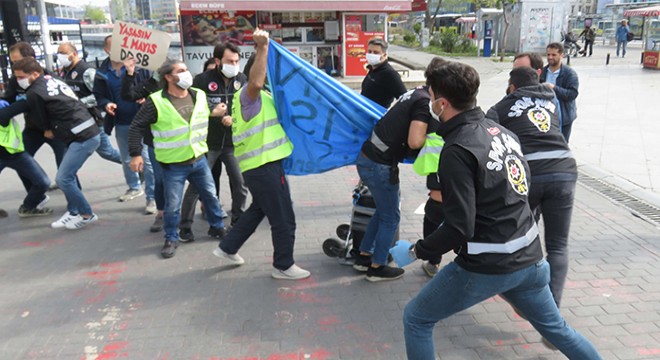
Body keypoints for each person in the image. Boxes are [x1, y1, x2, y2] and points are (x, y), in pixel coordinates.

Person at [395, 61, 601, 360]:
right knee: (558, 329)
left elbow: (459, 227)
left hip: (487, 266)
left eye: (431, 95)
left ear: (442, 102)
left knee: (417, 318)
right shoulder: (502, 132)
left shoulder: (456, 151)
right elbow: (521, 188)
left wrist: (417, 251)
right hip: (530, 261)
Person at [214, 28, 311, 280]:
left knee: (259, 209)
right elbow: (256, 81)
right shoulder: (250, 95)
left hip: (258, 166)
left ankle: (228, 247)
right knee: (283, 218)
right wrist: (263, 49)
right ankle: (283, 265)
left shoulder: (258, 98)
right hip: (264, 166)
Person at [487, 66, 578, 310]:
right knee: (558, 245)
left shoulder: (502, 107)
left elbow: (487, 137)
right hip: (565, 169)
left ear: (512, 87)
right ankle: (552, 311)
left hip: (530, 175)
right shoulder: (551, 101)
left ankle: (526, 301)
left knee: (520, 239)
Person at [128, 59, 229, 259]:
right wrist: (136, 153)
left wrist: (213, 113)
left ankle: (217, 227)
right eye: (181, 71)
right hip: (173, 165)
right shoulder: (156, 101)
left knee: (210, 196)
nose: (186, 73)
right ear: (168, 77)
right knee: (172, 205)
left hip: (198, 159)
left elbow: (197, 116)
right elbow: (136, 126)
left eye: (186, 70)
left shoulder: (198, 95)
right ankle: (171, 237)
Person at [352, 62, 437, 282]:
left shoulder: (416, 92)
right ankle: (377, 267)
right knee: (391, 217)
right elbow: (415, 140)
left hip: (368, 158)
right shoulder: (424, 104)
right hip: (379, 165)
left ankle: (364, 255)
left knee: (383, 211)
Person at [1, 57, 102, 229]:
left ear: (34, 74)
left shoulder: (34, 93)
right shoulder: (51, 80)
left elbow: (39, 118)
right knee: (65, 177)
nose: (18, 81)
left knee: (64, 178)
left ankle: (85, 214)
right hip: (84, 132)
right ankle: (75, 212)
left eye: (20, 77)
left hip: (82, 136)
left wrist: (47, 128)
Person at [178, 42, 248, 242]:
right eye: (229, 61)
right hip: (206, 144)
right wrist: (211, 114)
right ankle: (184, 227)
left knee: (240, 184)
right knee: (197, 185)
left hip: (232, 144)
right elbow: (187, 110)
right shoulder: (201, 81)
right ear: (218, 61)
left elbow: (247, 108)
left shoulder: (242, 79)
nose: (234, 65)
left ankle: (237, 220)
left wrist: (234, 119)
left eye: (236, 61)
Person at [93, 35, 156, 213]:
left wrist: (146, 98)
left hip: (142, 119)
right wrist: (106, 104)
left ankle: (151, 197)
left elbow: (152, 87)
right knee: (126, 158)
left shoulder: (141, 67)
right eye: (114, 47)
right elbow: (98, 95)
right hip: (120, 120)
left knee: (146, 159)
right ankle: (134, 187)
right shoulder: (102, 72)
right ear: (106, 50)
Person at [0, 42, 68, 191]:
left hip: (55, 129)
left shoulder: (50, 79)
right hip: (33, 128)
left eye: (17, 61)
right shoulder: (16, 80)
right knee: (22, 161)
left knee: (65, 167)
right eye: (12, 62)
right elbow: (8, 100)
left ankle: (75, 203)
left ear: (30, 59)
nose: (14, 66)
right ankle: (35, 195)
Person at [56, 42, 121, 165]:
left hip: (92, 119)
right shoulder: (65, 72)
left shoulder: (87, 72)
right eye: (58, 53)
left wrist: (79, 103)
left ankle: (137, 166)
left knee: (106, 152)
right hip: (74, 120)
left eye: (63, 53)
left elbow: (99, 96)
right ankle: (64, 177)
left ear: (74, 54)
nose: (60, 56)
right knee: (67, 149)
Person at [121, 57, 165, 232]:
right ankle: (161, 212)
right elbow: (128, 95)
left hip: (182, 145)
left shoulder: (183, 88)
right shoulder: (149, 85)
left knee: (197, 180)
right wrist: (130, 73)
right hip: (155, 141)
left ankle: (206, 213)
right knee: (160, 180)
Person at [0, 99, 52, 217]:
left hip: (16, 154)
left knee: (43, 182)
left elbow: (23, 103)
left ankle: (28, 207)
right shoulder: (3, 112)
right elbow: (25, 103)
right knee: (43, 182)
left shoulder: (3, 108)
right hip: (10, 155)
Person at [540, 43, 579, 142]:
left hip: (564, 116)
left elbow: (572, 94)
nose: (550, 57)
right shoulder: (542, 72)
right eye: (548, 55)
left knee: (562, 145)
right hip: (546, 115)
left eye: (553, 55)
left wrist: (554, 88)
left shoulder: (570, 74)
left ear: (561, 55)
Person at [361, 37, 406, 108]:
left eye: (376, 52)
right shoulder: (372, 69)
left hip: (377, 116)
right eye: (369, 51)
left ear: (384, 55)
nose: (372, 54)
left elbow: (404, 98)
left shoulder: (390, 74)